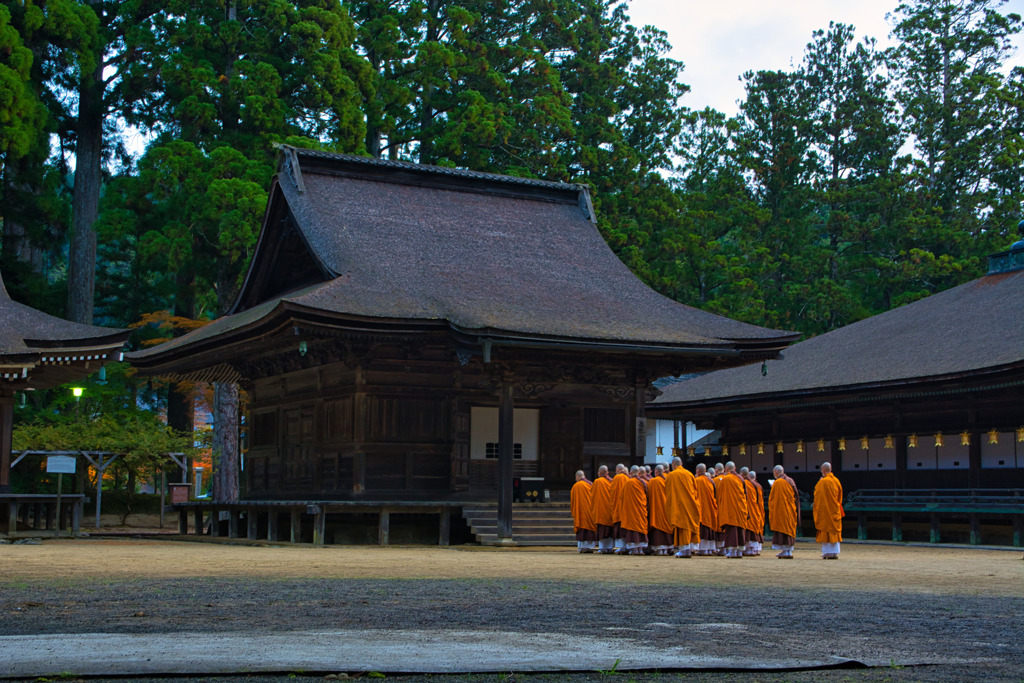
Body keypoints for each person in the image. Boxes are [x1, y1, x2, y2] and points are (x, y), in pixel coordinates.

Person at [665, 456, 701, 558]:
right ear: (682, 464)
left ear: (673, 465)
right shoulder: (689, 474)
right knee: (687, 525)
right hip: (690, 504)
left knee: (681, 526)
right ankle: (686, 549)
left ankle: (684, 549)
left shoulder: (671, 475)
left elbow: (668, 492)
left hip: (679, 505)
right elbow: (695, 491)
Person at [716, 462, 749, 558]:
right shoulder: (740, 479)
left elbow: (720, 495)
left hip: (730, 509)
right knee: (739, 529)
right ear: (735, 468)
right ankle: (739, 551)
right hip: (741, 507)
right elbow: (745, 494)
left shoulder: (726, 480)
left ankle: (732, 551)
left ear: (726, 469)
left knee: (731, 529)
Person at [813, 462, 844, 559]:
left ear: (823, 470)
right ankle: (834, 552)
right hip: (834, 510)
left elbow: (817, 495)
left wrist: (819, 483)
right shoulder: (836, 481)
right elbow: (840, 497)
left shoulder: (822, 482)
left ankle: (828, 552)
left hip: (825, 512)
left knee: (826, 530)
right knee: (834, 531)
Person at [769, 465, 800, 559]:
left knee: (783, 529)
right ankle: (787, 551)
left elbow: (773, 499)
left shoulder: (778, 483)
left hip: (781, 511)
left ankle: (786, 551)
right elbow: (796, 497)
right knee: (789, 528)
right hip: (790, 509)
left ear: (776, 472)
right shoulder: (790, 480)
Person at [620, 465, 649, 555]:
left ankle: (634, 549)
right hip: (641, 509)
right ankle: (640, 549)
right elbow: (647, 495)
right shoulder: (643, 483)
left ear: (631, 473)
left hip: (631, 511)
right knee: (640, 527)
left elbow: (622, 497)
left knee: (633, 528)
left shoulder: (628, 483)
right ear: (639, 473)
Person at [646, 464, 673, 555]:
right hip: (668, 508)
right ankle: (668, 548)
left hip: (656, 509)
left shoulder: (653, 481)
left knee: (658, 528)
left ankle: (659, 549)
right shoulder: (669, 480)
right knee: (667, 526)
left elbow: (648, 495)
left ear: (655, 472)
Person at [694, 464, 719, 556]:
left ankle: (702, 549)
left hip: (701, 508)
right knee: (709, 527)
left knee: (703, 529)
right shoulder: (711, 481)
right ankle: (710, 548)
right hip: (710, 508)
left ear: (697, 471)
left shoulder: (697, 481)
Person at [570, 470, 597, 553]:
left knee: (582, 528)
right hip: (590, 511)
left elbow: (573, 501)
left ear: (577, 477)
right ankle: (590, 546)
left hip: (580, 512)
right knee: (589, 529)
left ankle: (582, 546)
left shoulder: (576, 486)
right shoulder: (591, 484)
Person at [591, 465, 616, 553]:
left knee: (602, 530)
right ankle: (610, 547)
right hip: (610, 510)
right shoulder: (612, 481)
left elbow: (593, 496)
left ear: (600, 473)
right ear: (607, 472)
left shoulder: (598, 482)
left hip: (601, 510)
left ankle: (602, 548)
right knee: (609, 530)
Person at [745, 471, 764, 556]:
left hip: (750, 509)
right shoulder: (758, 485)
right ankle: (755, 549)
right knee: (756, 528)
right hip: (757, 509)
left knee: (750, 529)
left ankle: (749, 549)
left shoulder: (747, 484)